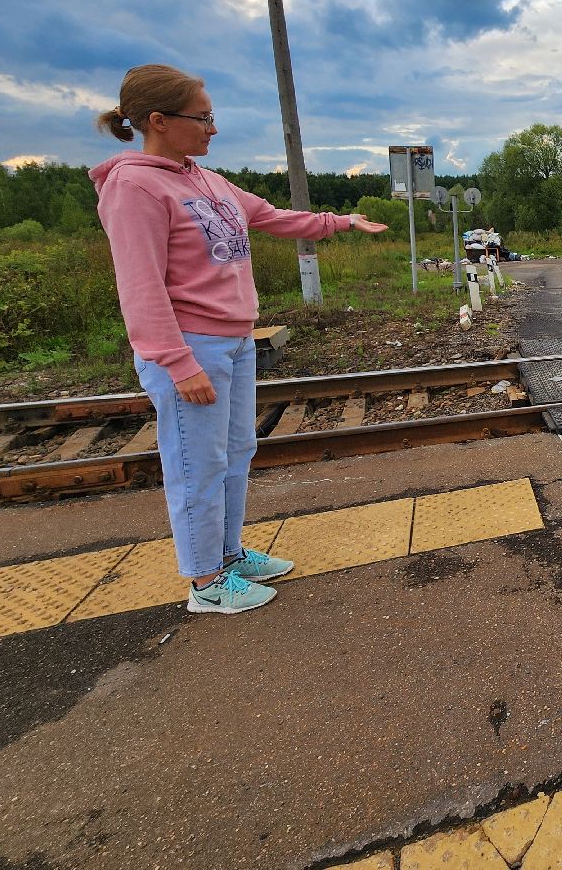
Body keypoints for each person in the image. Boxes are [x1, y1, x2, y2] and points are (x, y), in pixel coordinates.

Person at [91, 64, 389, 614]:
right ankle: (206, 584)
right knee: (195, 465)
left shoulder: (204, 179)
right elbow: (140, 287)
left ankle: (227, 554)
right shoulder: (134, 186)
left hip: (233, 340)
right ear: (158, 120)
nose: (213, 129)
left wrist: (342, 222)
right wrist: (178, 364)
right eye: (202, 118)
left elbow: (270, 217)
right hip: (191, 347)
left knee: (234, 453)